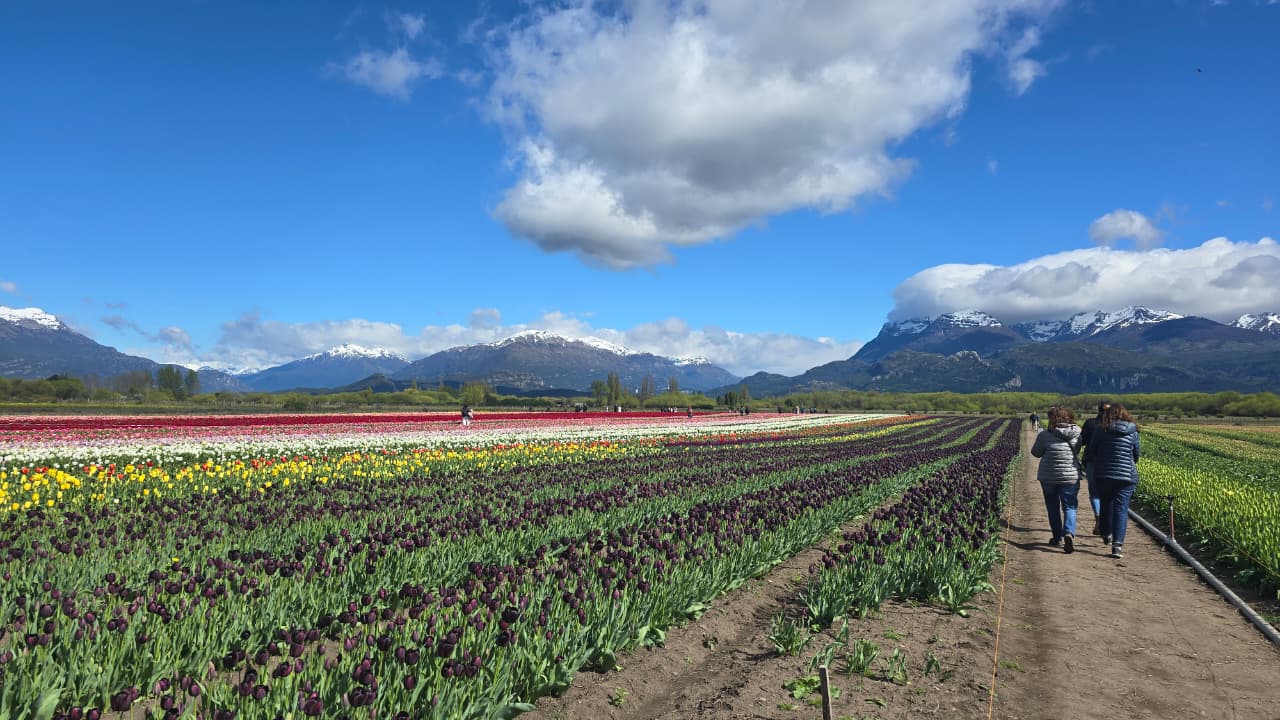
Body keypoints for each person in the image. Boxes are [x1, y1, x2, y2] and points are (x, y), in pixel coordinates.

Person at [1087, 404, 1140, 558]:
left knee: (1105, 504)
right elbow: (1136, 454)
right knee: (1121, 509)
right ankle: (1117, 546)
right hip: (1127, 476)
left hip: (1104, 474)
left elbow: (1092, 450)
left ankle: (1106, 533)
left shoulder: (1100, 430)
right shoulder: (1133, 431)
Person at [1030, 406, 1083, 553]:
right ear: (1069, 418)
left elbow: (1035, 453)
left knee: (1052, 506)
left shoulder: (1044, 435)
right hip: (1070, 476)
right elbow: (1077, 451)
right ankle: (1068, 532)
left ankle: (1057, 537)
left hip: (1049, 476)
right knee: (1070, 506)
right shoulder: (1076, 434)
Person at [1079, 400, 1112, 535]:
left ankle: (1098, 518)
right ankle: (1107, 523)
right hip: (1110, 462)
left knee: (1094, 492)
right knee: (1109, 494)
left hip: (1092, 461)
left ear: (1098, 410)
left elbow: (1082, 440)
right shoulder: (1115, 425)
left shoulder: (1090, 423)